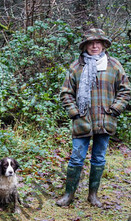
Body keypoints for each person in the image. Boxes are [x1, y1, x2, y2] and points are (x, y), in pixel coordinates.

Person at [56, 28, 130, 208]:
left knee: (98, 158)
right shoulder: (76, 67)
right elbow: (66, 93)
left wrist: (115, 109)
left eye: (98, 42)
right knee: (76, 158)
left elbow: (126, 90)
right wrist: (74, 112)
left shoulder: (113, 65)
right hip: (82, 120)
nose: (95, 46)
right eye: (91, 42)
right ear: (85, 46)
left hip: (105, 120)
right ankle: (69, 195)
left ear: (104, 44)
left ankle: (93, 195)